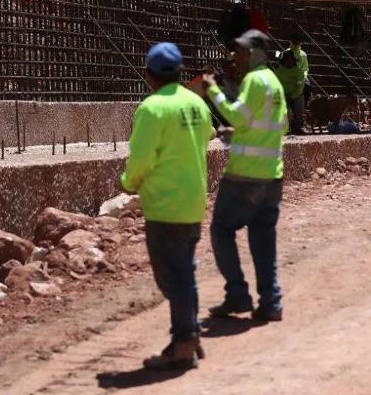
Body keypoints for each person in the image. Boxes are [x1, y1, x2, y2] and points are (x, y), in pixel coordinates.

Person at [119, 42, 215, 371]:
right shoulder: (196, 103)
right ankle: (191, 332)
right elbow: (208, 134)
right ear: (178, 71)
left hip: (164, 205)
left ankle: (184, 341)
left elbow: (141, 158)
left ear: (149, 75)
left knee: (172, 277)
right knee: (184, 271)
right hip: (193, 201)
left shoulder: (152, 108)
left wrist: (128, 182)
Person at [201, 29, 287, 322]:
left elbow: (237, 114)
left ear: (254, 54)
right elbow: (278, 126)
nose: (235, 57)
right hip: (272, 176)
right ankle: (271, 302)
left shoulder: (254, 79)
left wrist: (212, 90)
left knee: (221, 230)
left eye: (239, 51)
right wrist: (239, 136)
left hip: (244, 176)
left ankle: (237, 295)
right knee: (263, 241)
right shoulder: (274, 83)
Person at [274, 50, 305, 135]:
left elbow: (300, 87)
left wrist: (292, 98)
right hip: (282, 95)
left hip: (295, 95)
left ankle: (296, 128)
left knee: (299, 104)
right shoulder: (278, 71)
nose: (289, 61)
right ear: (284, 60)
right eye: (287, 59)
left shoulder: (299, 71)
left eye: (290, 59)